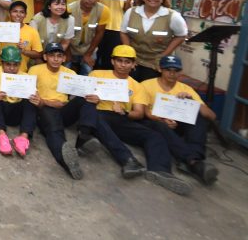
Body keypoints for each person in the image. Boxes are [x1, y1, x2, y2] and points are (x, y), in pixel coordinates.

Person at [28, 42, 144, 180]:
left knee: (87, 98)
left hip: (64, 110)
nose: (56, 59)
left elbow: (73, 97)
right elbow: (31, 96)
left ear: (64, 58)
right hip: (44, 109)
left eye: (59, 56)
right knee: (54, 131)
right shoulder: (34, 70)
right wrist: (46, 102)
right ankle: (67, 161)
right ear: (45, 57)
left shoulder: (70, 74)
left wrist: (93, 97)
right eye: (52, 56)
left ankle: (84, 135)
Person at [92, 45, 192, 195]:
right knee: (97, 117)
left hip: (121, 118)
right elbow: (82, 95)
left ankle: (160, 171)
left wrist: (125, 112)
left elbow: (138, 113)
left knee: (154, 135)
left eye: (127, 62)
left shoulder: (137, 86)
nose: (123, 65)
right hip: (98, 114)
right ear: (112, 61)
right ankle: (128, 160)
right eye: (119, 61)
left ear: (133, 65)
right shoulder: (96, 74)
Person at [140, 55, 218, 185]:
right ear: (160, 69)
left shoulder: (185, 89)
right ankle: (193, 162)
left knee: (199, 116)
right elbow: (143, 111)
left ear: (180, 72)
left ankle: (193, 156)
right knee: (158, 126)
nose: (172, 74)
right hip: (154, 122)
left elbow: (212, 115)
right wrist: (161, 119)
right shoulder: (146, 85)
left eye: (176, 70)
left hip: (178, 125)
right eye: (168, 69)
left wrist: (192, 102)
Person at [120, 0, 187, 82]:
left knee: (149, 89)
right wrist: (129, 54)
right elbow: (123, 32)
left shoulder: (173, 16)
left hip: (156, 62)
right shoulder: (131, 12)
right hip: (134, 59)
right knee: (130, 87)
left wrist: (163, 55)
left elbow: (181, 36)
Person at [0, 46, 36, 157]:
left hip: (17, 112)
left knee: (31, 102)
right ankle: (2, 135)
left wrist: (36, 97)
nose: (12, 68)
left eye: (15, 65)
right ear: (2, 63)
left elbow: (35, 94)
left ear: (20, 64)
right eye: (8, 64)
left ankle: (23, 138)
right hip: (1, 110)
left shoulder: (25, 76)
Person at [0, 1, 42, 73]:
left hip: (21, 70)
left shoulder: (32, 31)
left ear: (25, 15)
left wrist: (24, 51)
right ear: (9, 13)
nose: (18, 14)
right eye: (15, 11)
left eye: (22, 12)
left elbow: (38, 54)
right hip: (0, 67)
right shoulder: (1, 27)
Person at [96, 0, 134, 70]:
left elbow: (127, 10)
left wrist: (128, 1)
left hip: (117, 27)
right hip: (100, 26)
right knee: (97, 55)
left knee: (111, 56)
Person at [68, 0, 109, 75]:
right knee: (66, 74)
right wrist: (67, 53)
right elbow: (64, 34)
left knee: (87, 74)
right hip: (70, 47)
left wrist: (88, 54)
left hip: (89, 48)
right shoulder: (69, 9)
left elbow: (99, 33)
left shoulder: (104, 10)